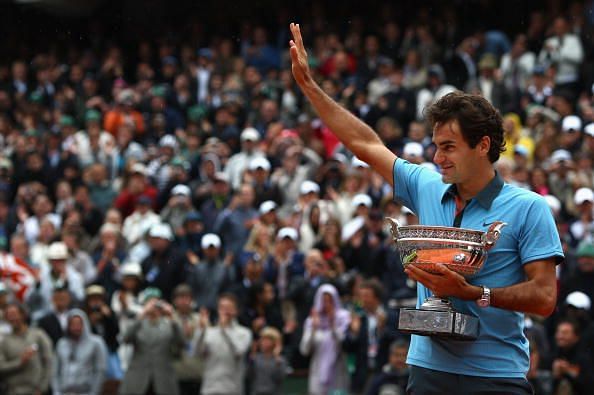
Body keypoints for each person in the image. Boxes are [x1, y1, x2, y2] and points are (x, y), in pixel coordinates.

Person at [289, 23, 563, 394]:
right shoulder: (426, 185)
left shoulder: (529, 207)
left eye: (448, 146)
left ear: (483, 146)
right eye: (435, 145)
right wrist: (310, 87)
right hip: (427, 371)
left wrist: (475, 294)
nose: (437, 157)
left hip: (496, 375)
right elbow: (363, 142)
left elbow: (545, 298)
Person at [119, 288, 185, 395]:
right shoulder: (138, 323)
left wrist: (172, 317)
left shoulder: (169, 324)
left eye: (157, 302)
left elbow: (181, 343)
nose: (154, 306)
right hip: (138, 381)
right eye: (150, 302)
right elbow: (126, 339)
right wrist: (142, 314)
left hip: (163, 381)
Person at [192, 293, 253, 395]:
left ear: (236, 311)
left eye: (228, 308)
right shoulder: (210, 332)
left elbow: (239, 351)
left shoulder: (244, 332)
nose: (224, 312)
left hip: (233, 390)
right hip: (209, 388)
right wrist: (201, 330)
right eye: (222, 308)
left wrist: (224, 329)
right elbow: (197, 353)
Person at [299, 283, 351, 395]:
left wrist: (333, 325)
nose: (326, 304)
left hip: (338, 370)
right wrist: (313, 328)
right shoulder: (311, 321)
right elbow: (304, 350)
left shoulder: (343, 317)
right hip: (317, 370)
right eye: (323, 301)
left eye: (330, 301)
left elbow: (345, 343)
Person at [0, 303, 53, 395]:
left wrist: (42, 388)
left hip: (35, 391)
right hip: (13, 391)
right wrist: (20, 362)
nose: (12, 318)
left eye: (14, 314)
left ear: (23, 315)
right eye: (9, 315)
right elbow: (1, 367)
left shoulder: (38, 335)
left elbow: (48, 362)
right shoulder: (4, 341)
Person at [52, 309, 108, 395]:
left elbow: (100, 370)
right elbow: (55, 371)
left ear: (85, 324)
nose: (76, 328)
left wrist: (93, 392)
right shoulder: (61, 343)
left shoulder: (96, 343)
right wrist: (56, 392)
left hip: (85, 391)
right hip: (64, 392)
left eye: (78, 324)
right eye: (72, 324)